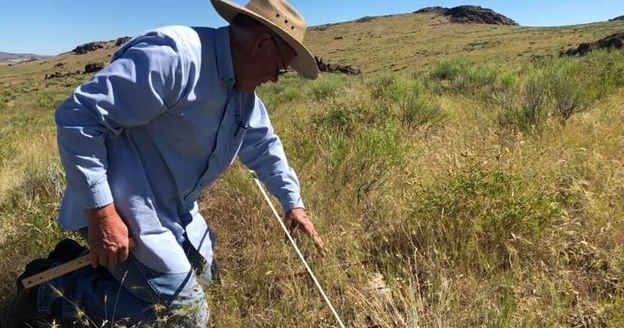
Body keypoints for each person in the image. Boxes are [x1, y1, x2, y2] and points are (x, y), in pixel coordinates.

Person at [2, 0, 324, 326]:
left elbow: (264, 146)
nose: (274, 79)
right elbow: (78, 118)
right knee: (188, 316)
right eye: (280, 68)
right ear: (261, 43)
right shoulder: (175, 57)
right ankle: (52, 291)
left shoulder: (242, 96)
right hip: (123, 211)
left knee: (206, 282)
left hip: (173, 212)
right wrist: (102, 216)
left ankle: (81, 265)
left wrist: (292, 203)